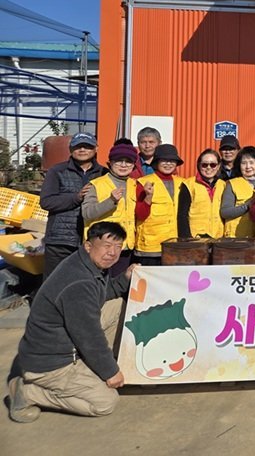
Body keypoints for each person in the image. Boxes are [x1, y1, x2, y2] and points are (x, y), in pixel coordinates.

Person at [7, 222, 136, 423]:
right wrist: (110, 372)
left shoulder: (85, 264)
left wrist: (125, 278)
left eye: (118, 247)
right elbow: (89, 336)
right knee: (105, 402)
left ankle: (93, 366)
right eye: (106, 245)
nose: (112, 253)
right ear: (88, 245)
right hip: (51, 363)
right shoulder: (79, 282)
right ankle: (27, 392)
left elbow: (100, 295)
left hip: (59, 342)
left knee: (117, 305)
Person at [39, 132, 106, 278]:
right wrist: (76, 197)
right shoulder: (57, 171)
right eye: (78, 146)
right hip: (60, 241)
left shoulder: (104, 173)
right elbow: (46, 201)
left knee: (84, 282)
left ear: (96, 149)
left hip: (91, 240)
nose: (82, 150)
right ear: (70, 149)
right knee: (54, 282)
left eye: (87, 146)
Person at [81, 142, 138, 276]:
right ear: (110, 163)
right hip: (101, 247)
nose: (123, 165)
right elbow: (87, 213)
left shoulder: (135, 185)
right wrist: (110, 201)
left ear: (134, 165)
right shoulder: (96, 184)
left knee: (119, 283)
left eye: (128, 161)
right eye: (118, 161)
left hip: (125, 247)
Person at [134, 144, 186, 265]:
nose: (168, 164)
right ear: (157, 162)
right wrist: (148, 197)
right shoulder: (143, 183)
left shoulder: (183, 183)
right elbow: (140, 215)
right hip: (151, 247)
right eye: (164, 160)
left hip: (175, 246)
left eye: (172, 161)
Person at [220, 146, 255, 238]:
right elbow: (225, 212)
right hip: (236, 237)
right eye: (244, 163)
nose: (248, 167)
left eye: (251, 162)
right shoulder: (232, 184)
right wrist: (248, 205)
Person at [177, 149, 225, 239]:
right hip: (196, 238)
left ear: (218, 166)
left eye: (213, 165)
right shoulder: (189, 184)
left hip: (219, 237)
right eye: (204, 165)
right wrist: (187, 238)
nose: (208, 168)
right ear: (199, 165)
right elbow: (182, 215)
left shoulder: (223, 185)